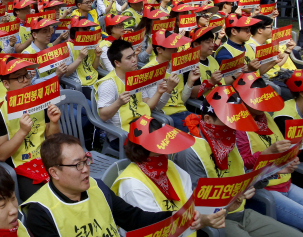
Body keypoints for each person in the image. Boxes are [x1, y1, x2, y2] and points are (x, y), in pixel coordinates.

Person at [175, 88, 303, 237]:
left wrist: (272, 170)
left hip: (242, 213)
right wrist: (235, 197)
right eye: (228, 120)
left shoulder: (229, 138)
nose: (234, 127)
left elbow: (243, 178)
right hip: (218, 220)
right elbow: (199, 206)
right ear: (208, 120)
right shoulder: (190, 151)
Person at [21, 133, 202, 237]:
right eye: (77, 165)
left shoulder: (96, 186)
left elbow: (134, 219)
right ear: (54, 172)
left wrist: (181, 216)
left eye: (86, 160)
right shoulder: (41, 212)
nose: (86, 169)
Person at [113, 116, 227, 229]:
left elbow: (191, 206)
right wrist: (201, 220)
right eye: (156, 140)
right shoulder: (133, 185)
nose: (163, 142)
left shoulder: (171, 166)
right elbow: (154, 226)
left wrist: (206, 217)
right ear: (140, 147)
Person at [232, 72, 303, 231]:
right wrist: (268, 152)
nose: (261, 105)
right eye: (256, 101)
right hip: (264, 188)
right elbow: (244, 166)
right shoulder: (237, 126)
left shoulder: (266, 117)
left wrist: (290, 159)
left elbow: (281, 149)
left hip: (285, 181)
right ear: (242, 100)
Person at [0, 57, 61, 201]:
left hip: (46, 158)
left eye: (27, 75)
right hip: (20, 169)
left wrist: (54, 122)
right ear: (6, 84)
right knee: (46, 200)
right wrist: (22, 132)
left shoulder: (41, 100)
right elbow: (1, 155)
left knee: (73, 185)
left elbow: (53, 140)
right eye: (19, 78)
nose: (26, 80)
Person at [96, 39, 170, 150]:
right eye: (129, 58)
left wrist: (159, 92)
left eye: (134, 55)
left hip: (144, 126)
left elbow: (146, 106)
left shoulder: (136, 77)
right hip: (121, 134)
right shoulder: (108, 84)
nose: (134, 60)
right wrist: (118, 103)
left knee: (168, 139)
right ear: (117, 63)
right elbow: (103, 115)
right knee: (157, 146)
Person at [141, 30, 196, 131]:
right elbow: (155, 108)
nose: (176, 49)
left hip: (183, 113)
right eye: (172, 47)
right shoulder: (149, 71)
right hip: (166, 117)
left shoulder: (175, 66)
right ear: (159, 49)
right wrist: (169, 89)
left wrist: (190, 82)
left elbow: (181, 100)